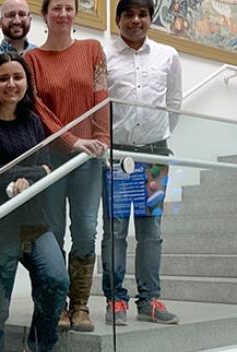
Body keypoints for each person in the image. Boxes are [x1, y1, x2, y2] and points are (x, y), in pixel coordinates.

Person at [0, 52, 69, 352]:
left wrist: (33, 175)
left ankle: (39, 345)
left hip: (34, 223)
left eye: (17, 77)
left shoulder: (33, 122)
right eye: (3, 78)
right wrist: (33, 172)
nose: (11, 84)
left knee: (56, 279)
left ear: (27, 81)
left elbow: (46, 174)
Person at [24, 0, 110, 332]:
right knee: (53, 232)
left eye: (68, 7)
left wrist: (101, 140)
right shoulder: (31, 59)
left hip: (90, 158)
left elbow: (101, 96)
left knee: (86, 231)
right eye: (55, 8)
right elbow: (38, 111)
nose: (62, 14)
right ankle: (56, 302)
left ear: (75, 13)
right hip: (51, 160)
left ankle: (81, 306)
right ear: (44, 15)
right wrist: (73, 141)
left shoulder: (93, 49)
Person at [101, 0, 182, 326]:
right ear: (118, 18)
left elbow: (173, 103)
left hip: (154, 156)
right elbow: (97, 104)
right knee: (115, 231)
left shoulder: (168, 55)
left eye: (143, 14)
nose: (136, 20)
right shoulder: (102, 56)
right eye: (129, 14)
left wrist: (156, 138)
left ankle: (149, 300)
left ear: (150, 18)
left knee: (151, 231)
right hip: (118, 158)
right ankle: (115, 300)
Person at [0, 0, 37, 66]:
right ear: (0, 23)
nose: (17, 21)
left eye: (22, 14)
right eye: (10, 15)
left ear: (30, 20)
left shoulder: (39, 56)